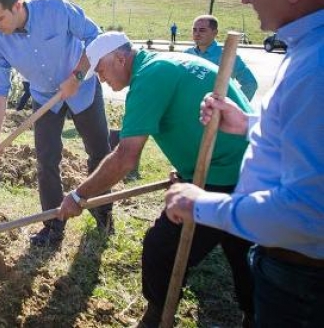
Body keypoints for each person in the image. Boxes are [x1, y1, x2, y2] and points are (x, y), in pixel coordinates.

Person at [164, 0, 324, 328]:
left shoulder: (317, 68)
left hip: (303, 278)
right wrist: (249, 123)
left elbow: (307, 212)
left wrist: (203, 204)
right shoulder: (308, 48)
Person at [59, 31, 255, 328]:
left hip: (225, 173)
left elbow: (126, 157)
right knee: (241, 250)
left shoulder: (150, 78)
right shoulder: (163, 65)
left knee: (161, 247)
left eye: (100, 71)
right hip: (247, 167)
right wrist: (187, 172)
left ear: (120, 59)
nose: (101, 80)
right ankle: (256, 314)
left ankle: (158, 316)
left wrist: (78, 196)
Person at [0, 0, 112, 247]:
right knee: (45, 160)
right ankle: (53, 226)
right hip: (44, 99)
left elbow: (95, 37)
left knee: (98, 152)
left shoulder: (55, 9)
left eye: (0, 19)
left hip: (82, 89)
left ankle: (103, 215)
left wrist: (76, 75)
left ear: (16, 6)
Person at [184, 14, 258, 100]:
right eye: (194, 30)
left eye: (202, 30)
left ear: (215, 33)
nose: (197, 34)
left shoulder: (228, 57)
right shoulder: (187, 54)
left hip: (212, 111)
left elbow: (250, 83)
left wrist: (234, 106)